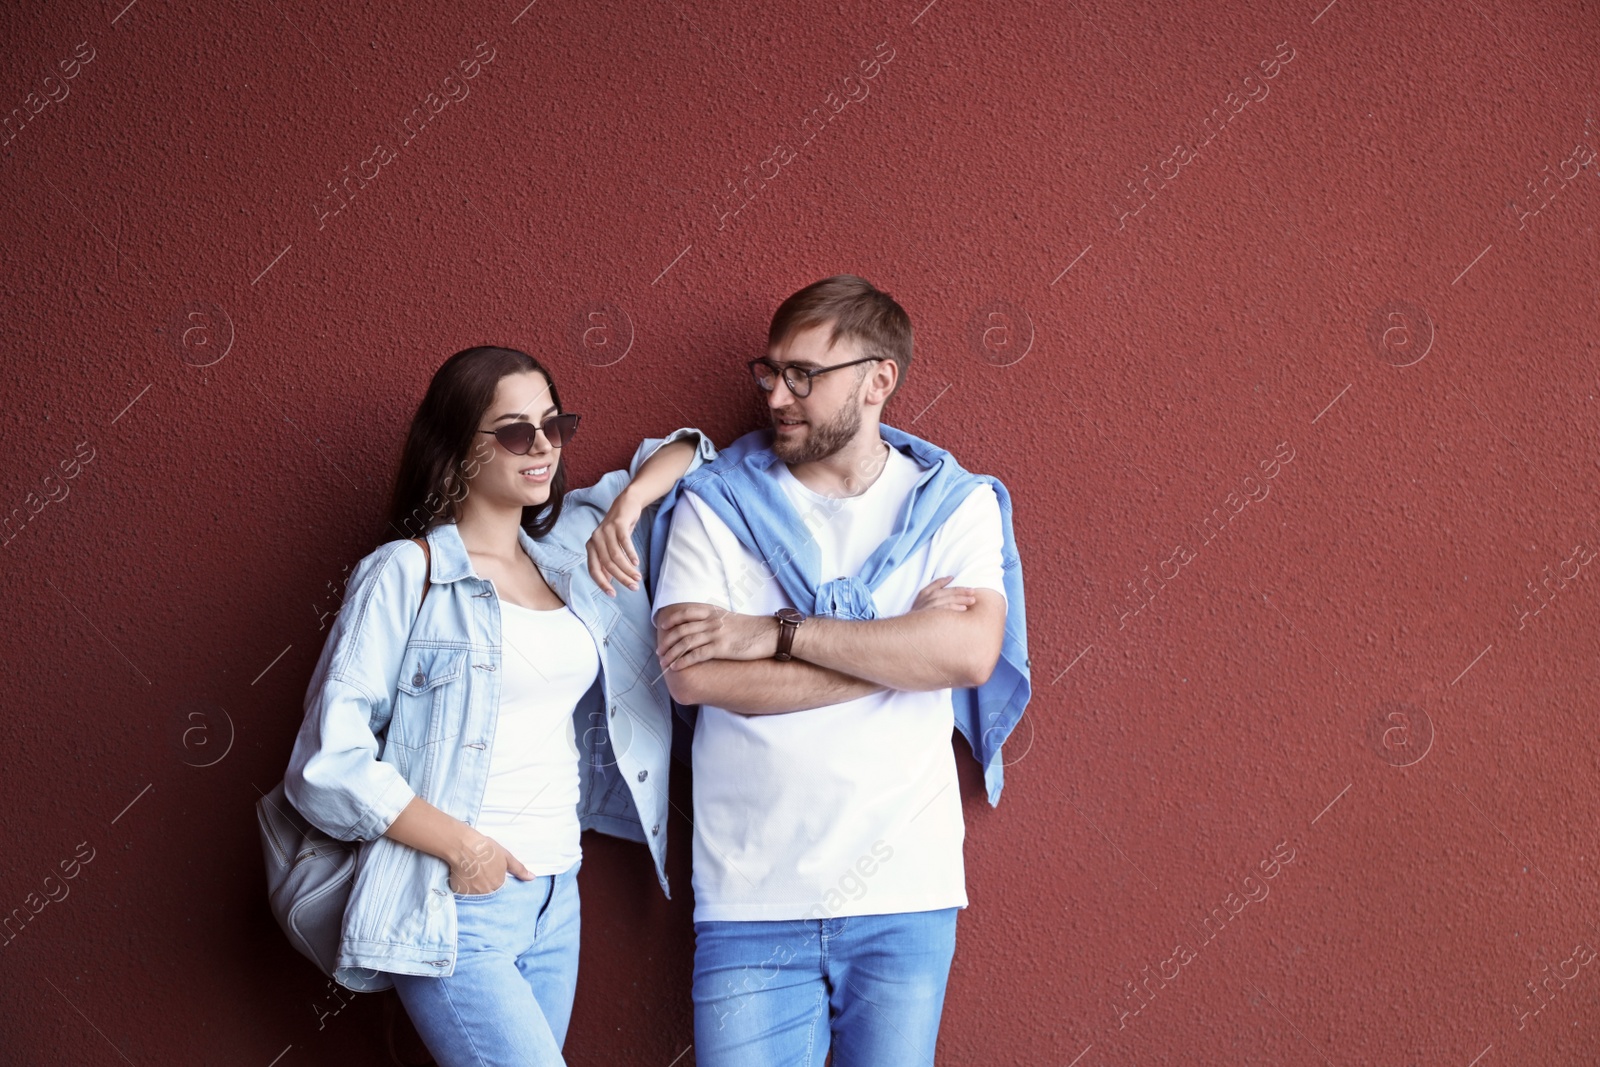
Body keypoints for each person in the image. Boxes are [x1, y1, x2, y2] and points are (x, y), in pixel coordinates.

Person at [284, 345, 714, 1066]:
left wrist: (629, 505)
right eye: (517, 432)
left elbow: (694, 452)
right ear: (457, 449)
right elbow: (326, 763)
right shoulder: (407, 572)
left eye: (555, 423)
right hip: (456, 898)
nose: (543, 446)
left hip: (556, 897)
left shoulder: (570, 550)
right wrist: (465, 847)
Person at [648, 275, 1031, 1065]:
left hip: (906, 894)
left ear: (878, 378)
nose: (778, 396)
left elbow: (964, 654)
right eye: (771, 372)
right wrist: (900, 651)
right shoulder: (713, 504)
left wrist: (773, 632)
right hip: (751, 897)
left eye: (804, 376)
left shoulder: (953, 503)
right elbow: (696, 677)